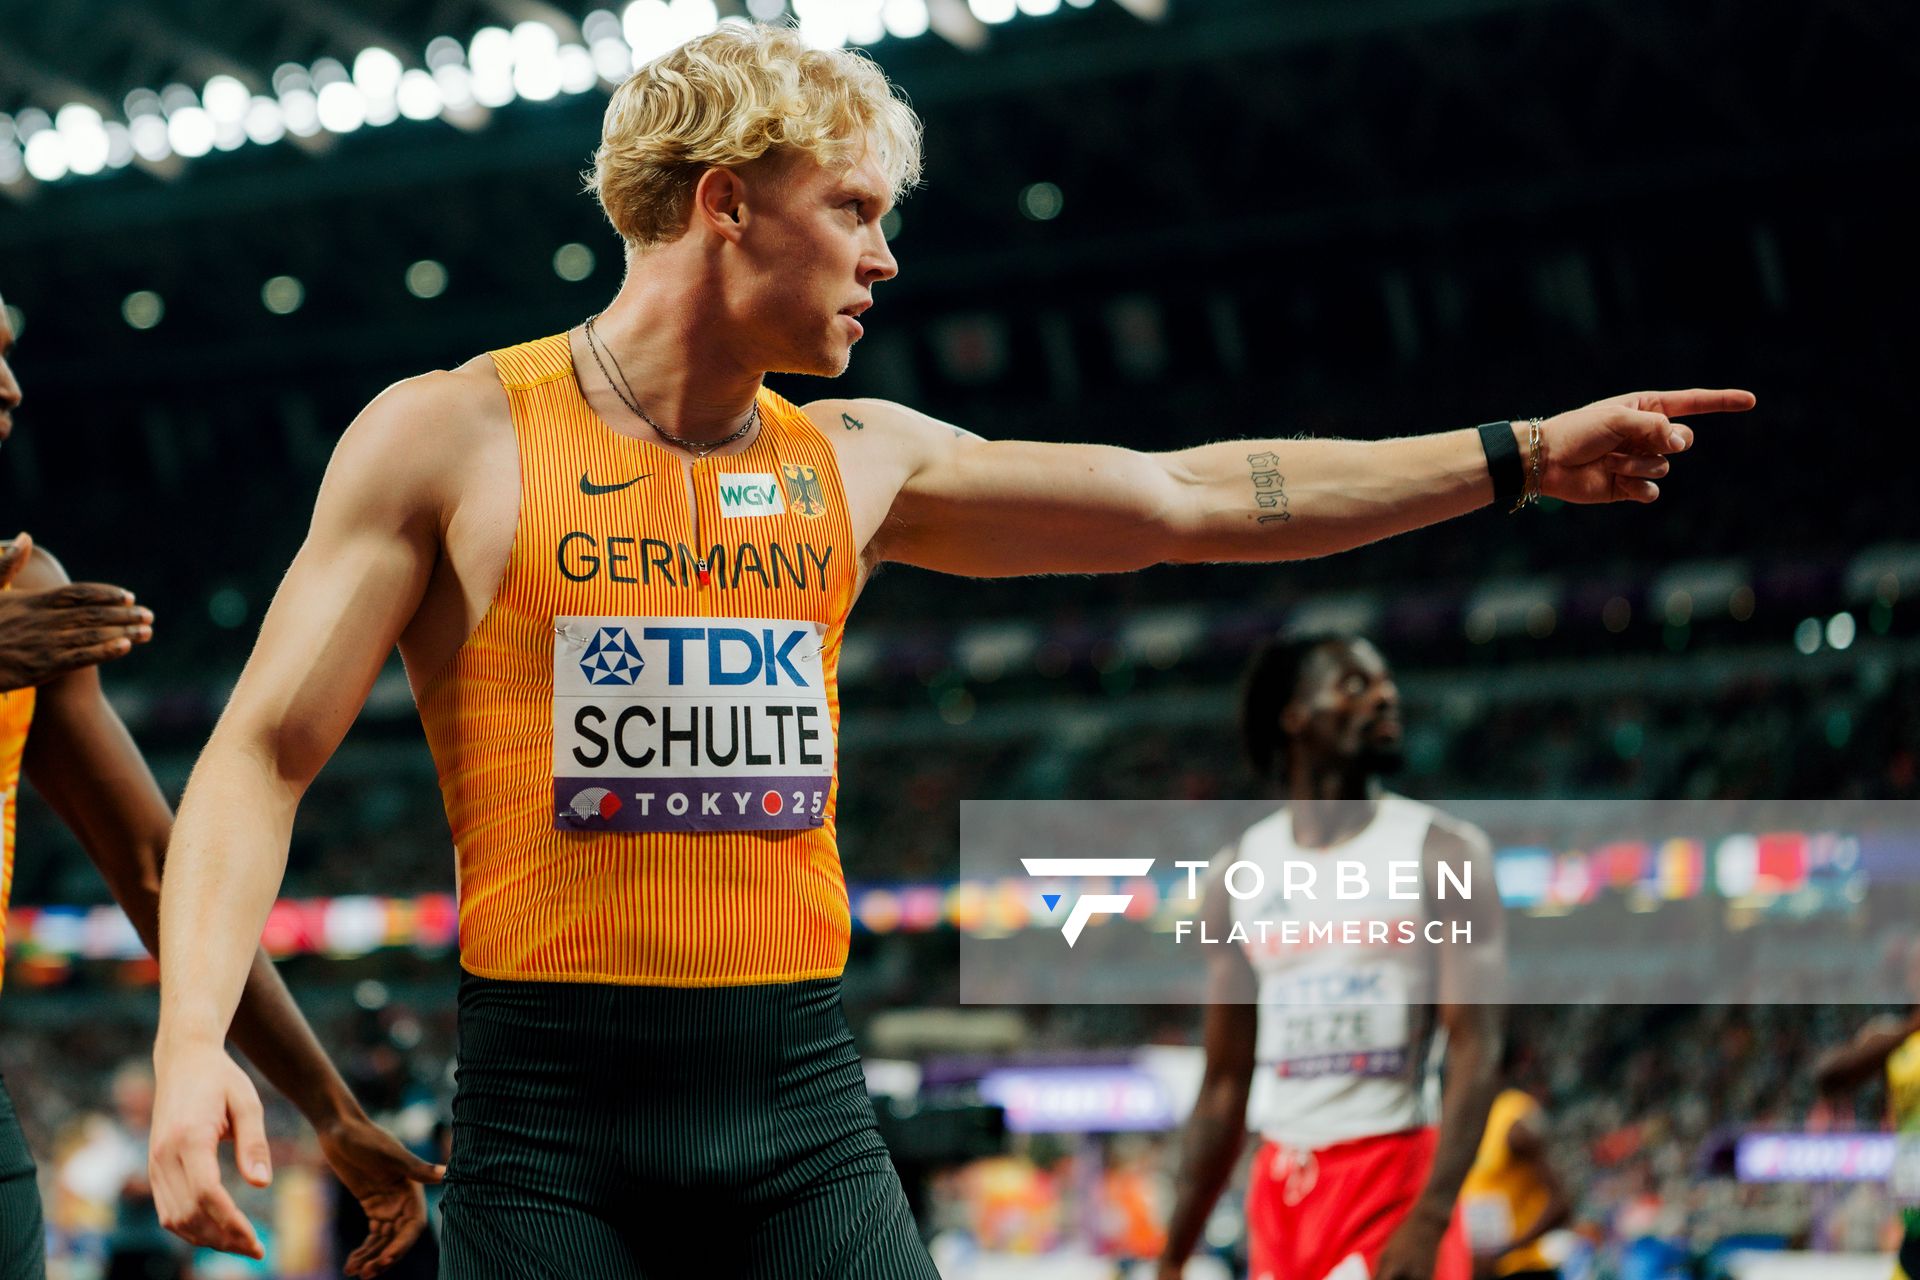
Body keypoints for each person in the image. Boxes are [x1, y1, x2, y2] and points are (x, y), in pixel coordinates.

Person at [144, 22, 1753, 1279]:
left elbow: (1198, 498)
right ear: (725, 203)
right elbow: (259, 759)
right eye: (853, 209)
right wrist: (191, 1041)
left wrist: (1519, 452)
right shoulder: (451, 440)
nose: (886, 256)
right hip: (548, 1127)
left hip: (799, 1108)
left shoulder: (861, 459)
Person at [0, 292, 439, 1280]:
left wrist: (331, 1108)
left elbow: (162, 870)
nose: (10, 389)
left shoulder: (24, 593)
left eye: (9, 355)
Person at [1157, 634, 1505, 1280]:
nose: (1385, 696)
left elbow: (1474, 1048)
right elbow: (1224, 1084)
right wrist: (1173, 1256)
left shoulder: (1443, 853)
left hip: (1393, 1176)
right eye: (1355, 684)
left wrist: (1430, 1217)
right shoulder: (1237, 873)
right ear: (1294, 716)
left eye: (1387, 683)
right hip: (1282, 1191)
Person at [1813, 939, 1920, 1280]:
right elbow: (1829, 1076)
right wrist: (1909, 1029)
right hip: (1915, 1230)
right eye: (1915, 967)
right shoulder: (1895, 1038)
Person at [1458, 1041, 1572, 1280]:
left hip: (1525, 1270)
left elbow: (1561, 1204)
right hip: (1481, 1271)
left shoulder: (1513, 1121)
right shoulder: (1462, 1121)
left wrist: (1505, 1251)